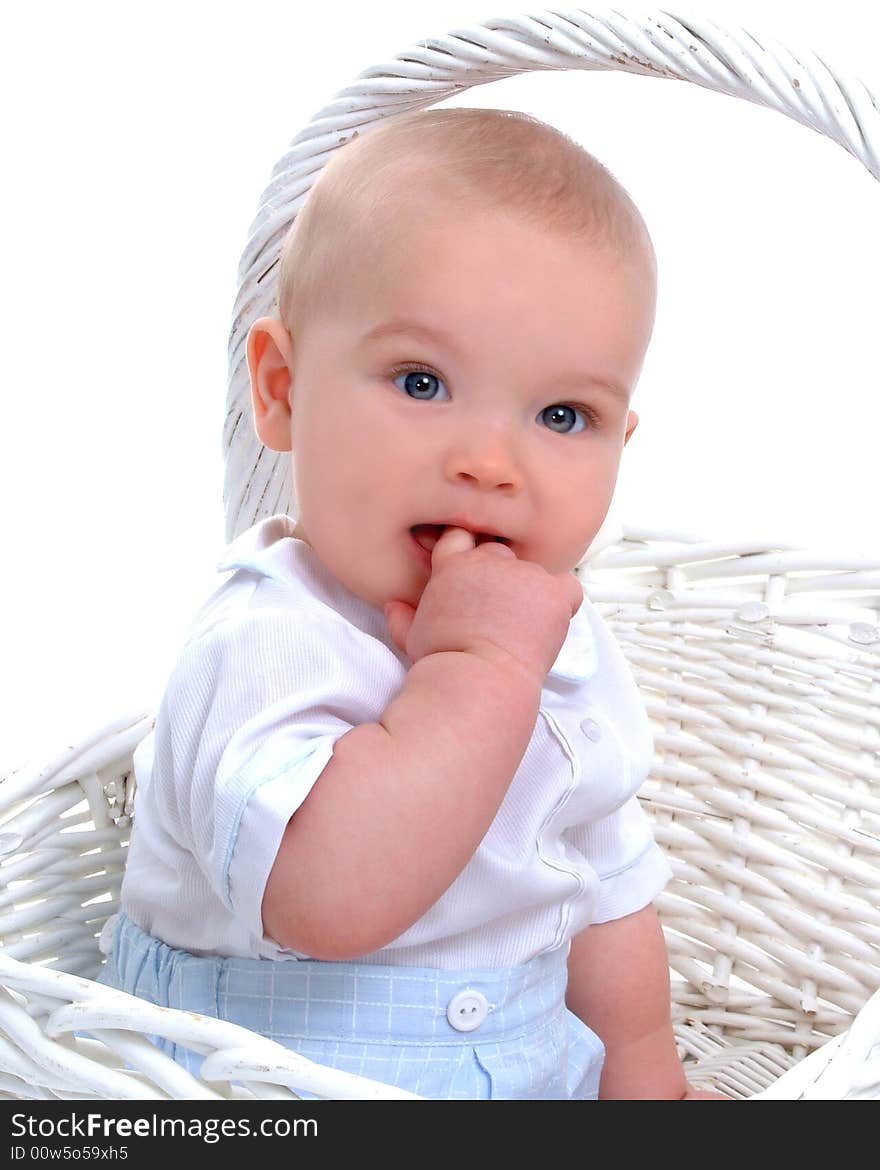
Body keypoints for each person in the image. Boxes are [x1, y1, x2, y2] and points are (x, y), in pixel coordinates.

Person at [104, 107, 725, 1099]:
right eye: (421, 380)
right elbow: (326, 899)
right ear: (280, 389)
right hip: (253, 1090)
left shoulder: (558, 635)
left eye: (563, 415)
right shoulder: (265, 639)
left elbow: (600, 879)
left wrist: (646, 1076)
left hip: (521, 1070)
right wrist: (478, 673)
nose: (487, 463)